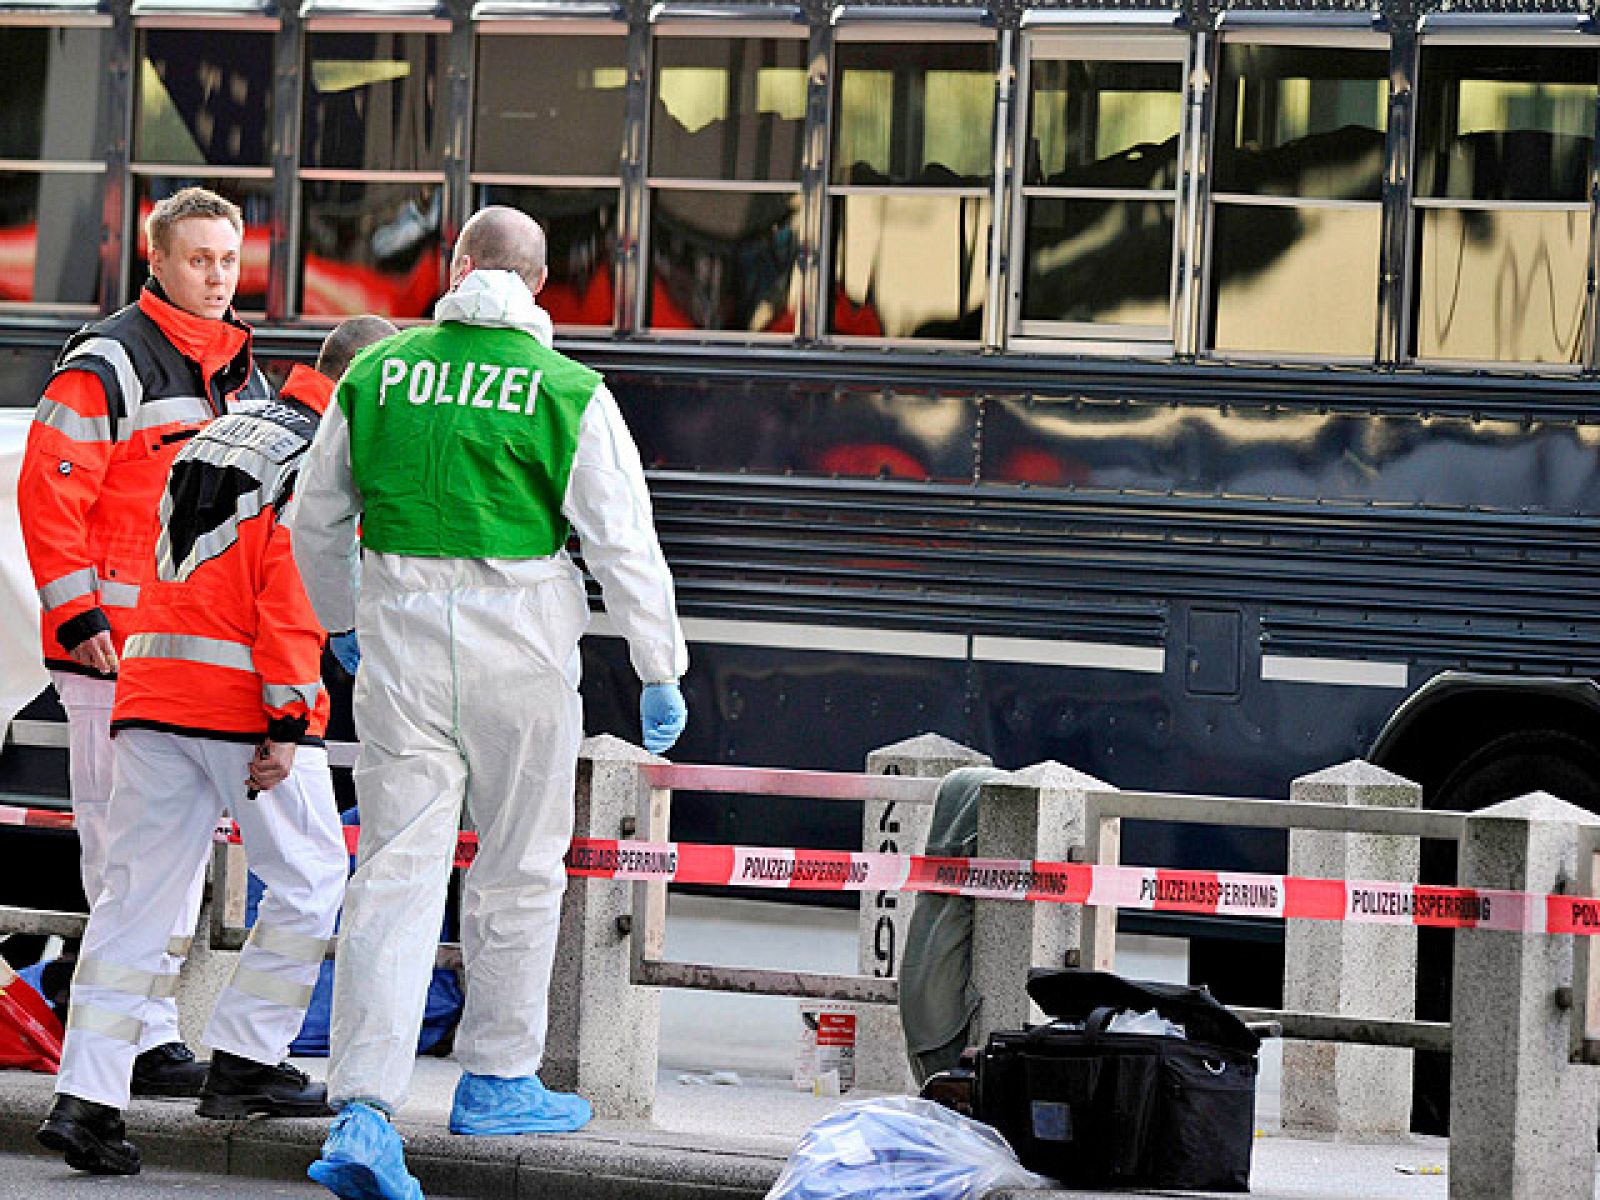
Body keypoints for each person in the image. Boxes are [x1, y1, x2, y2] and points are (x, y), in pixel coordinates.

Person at [290, 206, 688, 1200]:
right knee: (516, 870)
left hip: (400, 658)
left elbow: (316, 519)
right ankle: (499, 1079)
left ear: (458, 267)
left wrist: (341, 621)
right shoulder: (568, 389)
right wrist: (658, 668)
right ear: (538, 285)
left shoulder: (378, 373)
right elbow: (623, 546)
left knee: (392, 876)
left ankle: (364, 1112)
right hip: (522, 659)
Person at [34, 316, 399, 1177]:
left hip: (152, 691)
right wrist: (289, 716)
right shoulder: (323, 457)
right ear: (361, 382)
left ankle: (85, 1101)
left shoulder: (225, 429)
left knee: (134, 904)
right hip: (241, 705)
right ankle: (244, 1058)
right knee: (312, 878)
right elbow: (290, 591)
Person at [16, 187, 272, 1098]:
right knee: (121, 849)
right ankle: (140, 1036)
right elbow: (50, 493)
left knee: (173, 852)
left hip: (191, 660)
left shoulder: (244, 372)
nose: (215, 276)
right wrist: (79, 618)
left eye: (228, 260)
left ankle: (144, 1032)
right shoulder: (111, 360)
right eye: (198, 259)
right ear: (156, 262)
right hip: (113, 653)